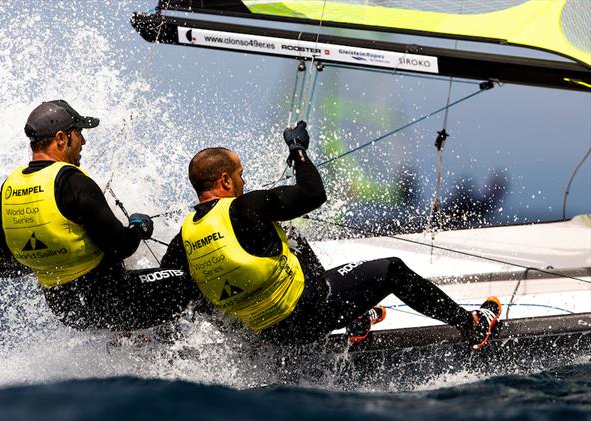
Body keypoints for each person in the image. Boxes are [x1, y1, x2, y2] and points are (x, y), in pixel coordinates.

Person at [160, 121, 502, 350]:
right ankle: (471, 324)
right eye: (240, 175)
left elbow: (169, 287)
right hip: (307, 315)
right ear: (224, 181)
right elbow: (313, 193)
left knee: (289, 235)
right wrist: (298, 151)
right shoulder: (249, 206)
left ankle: (355, 318)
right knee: (391, 269)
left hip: (266, 336)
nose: (244, 182)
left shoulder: (185, 237)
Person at [0, 100, 194, 331]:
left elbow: (2, 268)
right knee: (190, 280)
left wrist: (48, 258)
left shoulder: (5, 193)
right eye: (78, 133)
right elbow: (121, 247)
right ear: (61, 138)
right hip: (113, 300)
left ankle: (134, 345)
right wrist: (139, 227)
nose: (83, 141)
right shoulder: (73, 182)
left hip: (68, 311)